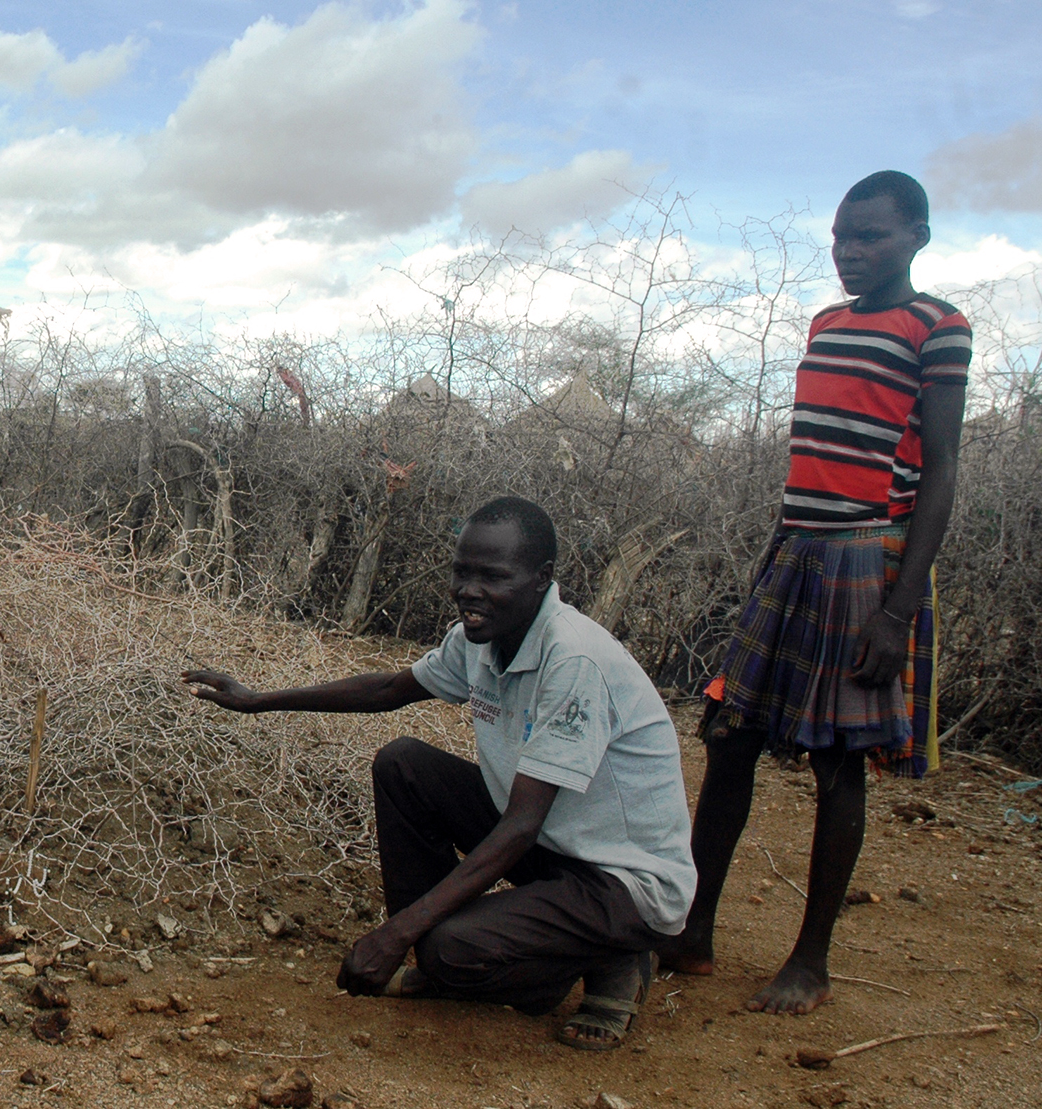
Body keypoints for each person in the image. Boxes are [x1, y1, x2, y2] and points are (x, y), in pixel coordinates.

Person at [185, 497, 694, 1050]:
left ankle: (604, 958)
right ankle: (488, 959)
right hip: (559, 846)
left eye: (493, 576)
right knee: (404, 764)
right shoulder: (482, 637)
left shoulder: (572, 660)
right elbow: (388, 690)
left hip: (623, 880)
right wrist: (261, 699)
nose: (468, 590)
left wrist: (397, 935)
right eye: (461, 571)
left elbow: (521, 824)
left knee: (449, 949)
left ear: (542, 579)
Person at [659, 171, 970, 1015]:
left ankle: (812, 960)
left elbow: (939, 472)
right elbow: (809, 463)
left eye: (870, 236)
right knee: (730, 737)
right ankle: (692, 930)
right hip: (797, 553)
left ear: (918, 236)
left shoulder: (939, 328)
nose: (852, 252)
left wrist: (897, 610)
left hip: (870, 561)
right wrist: (770, 560)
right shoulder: (827, 323)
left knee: (839, 764)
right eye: (841, 237)